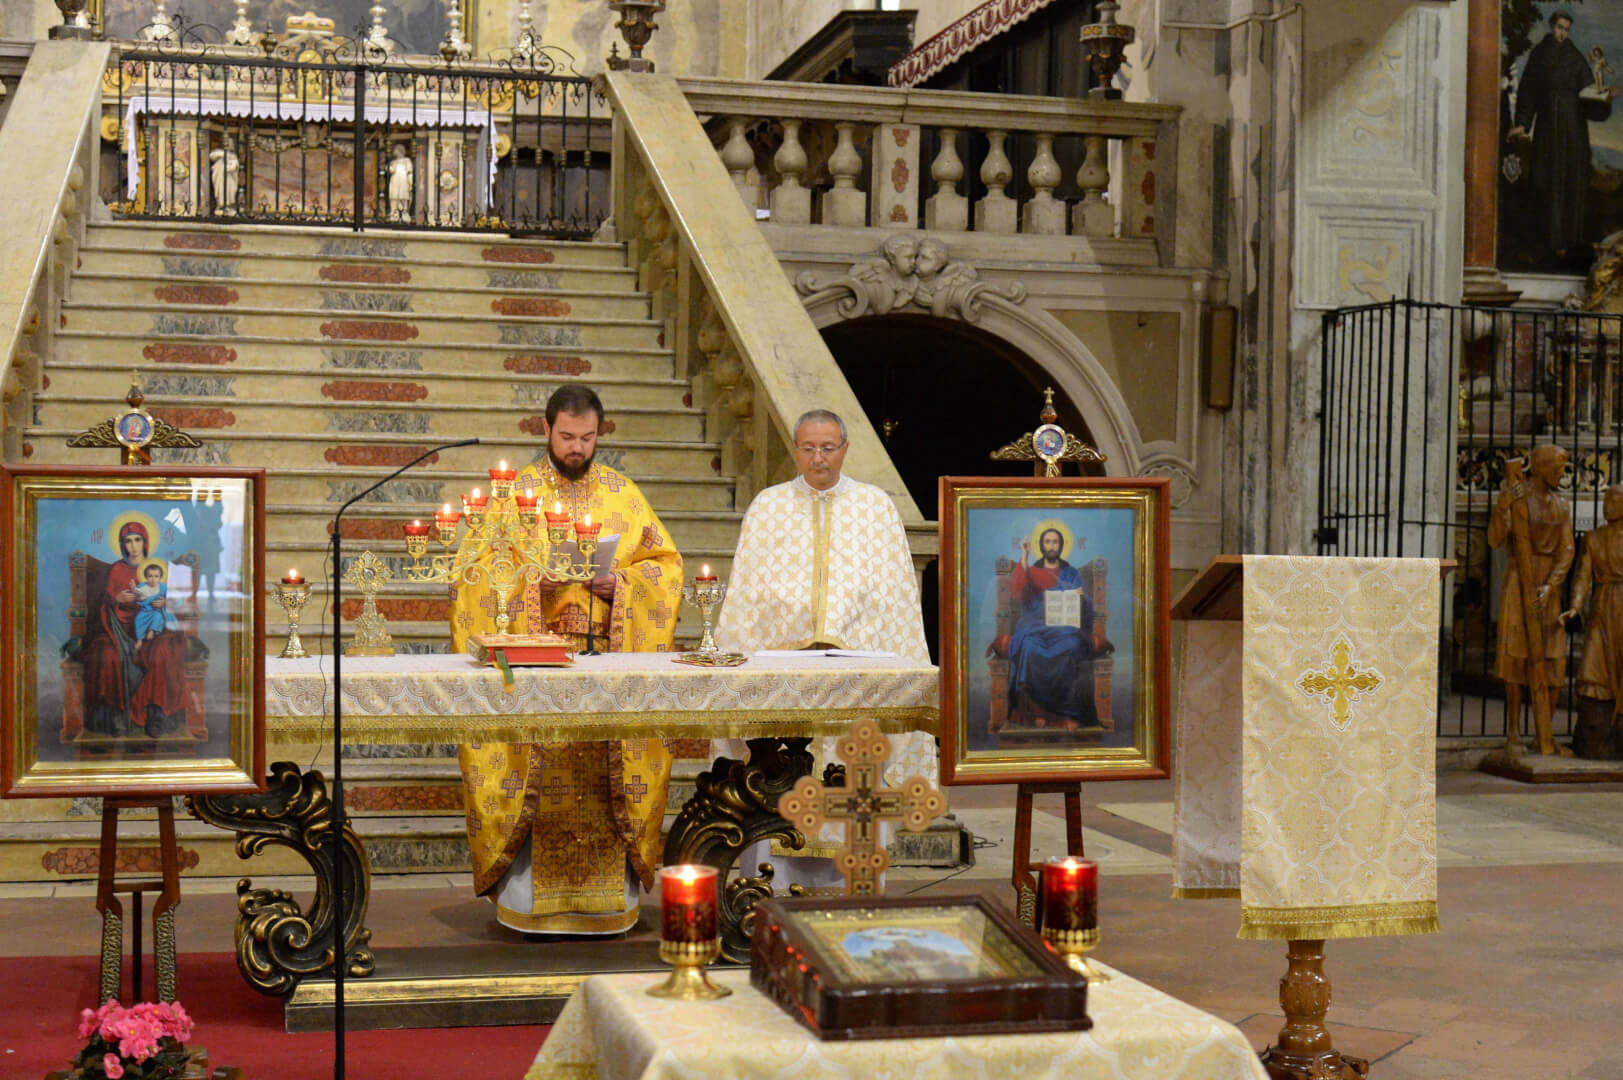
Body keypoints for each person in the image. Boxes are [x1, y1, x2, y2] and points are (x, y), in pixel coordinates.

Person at [448, 385, 682, 934]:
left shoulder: (623, 494)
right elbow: (470, 575)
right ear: (546, 429)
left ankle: (608, 903)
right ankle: (530, 904)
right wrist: (530, 581)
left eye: (588, 438)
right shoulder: (514, 496)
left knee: (603, 785)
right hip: (535, 664)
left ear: (601, 433)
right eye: (567, 436)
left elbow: (666, 566)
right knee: (538, 780)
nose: (577, 448)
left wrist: (622, 585)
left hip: (606, 662)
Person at [716, 408, 933, 887]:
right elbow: (747, 596)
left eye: (828, 448)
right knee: (778, 781)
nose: (819, 458)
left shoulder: (875, 507)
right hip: (785, 677)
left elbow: (896, 596)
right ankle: (769, 893)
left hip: (856, 677)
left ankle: (850, 895)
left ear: (845, 450)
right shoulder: (769, 507)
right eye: (809, 448)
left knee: (852, 777)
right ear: (796, 450)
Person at [1507, 10, 1619, 262]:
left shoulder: (1575, 58)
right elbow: (1528, 92)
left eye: (1566, 29)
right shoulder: (1539, 55)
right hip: (1547, 131)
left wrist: (1605, 99)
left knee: (1571, 185)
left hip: (1573, 132)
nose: (1562, 33)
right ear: (1551, 26)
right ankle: (1544, 243)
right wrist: (1522, 124)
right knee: (1544, 182)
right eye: (1559, 28)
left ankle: (1568, 243)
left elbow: (1590, 97)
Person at [1488, 444, 1574, 758]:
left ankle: (1544, 734)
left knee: (1554, 658)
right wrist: (1503, 508)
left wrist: (1551, 586)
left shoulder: (1561, 506)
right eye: (1558, 467)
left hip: (1548, 584)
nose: (1562, 474)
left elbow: (1567, 549)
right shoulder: (1516, 497)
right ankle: (1513, 732)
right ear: (1540, 467)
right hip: (1519, 582)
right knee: (1516, 657)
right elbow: (1495, 539)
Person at [82, 521, 190, 738]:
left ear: (145, 541)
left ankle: (156, 716)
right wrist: (117, 600)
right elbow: (104, 604)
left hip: (154, 628)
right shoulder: (117, 569)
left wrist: (165, 603)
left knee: (162, 652)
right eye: (128, 541)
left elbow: (179, 600)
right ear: (122, 544)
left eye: (137, 539)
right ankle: (116, 716)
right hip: (119, 628)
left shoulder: (157, 568)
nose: (133, 545)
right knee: (107, 652)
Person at [1004, 526, 1112, 730]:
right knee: (1028, 647)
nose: (1051, 546)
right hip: (1035, 625)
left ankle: (1067, 713)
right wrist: (1025, 556)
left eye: (1055, 542)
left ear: (1061, 546)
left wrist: (1081, 597)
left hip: (1064, 626)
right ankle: (1038, 712)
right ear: (1041, 545)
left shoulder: (1071, 573)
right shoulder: (1032, 570)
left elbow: (1087, 605)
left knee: (1073, 645)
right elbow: (1018, 591)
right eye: (1048, 542)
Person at [1561, 485, 1623, 759]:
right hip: (1603, 606)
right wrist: (1575, 606)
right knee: (1594, 662)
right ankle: (1597, 731)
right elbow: (1583, 576)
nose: (1606, 505)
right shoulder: (1593, 538)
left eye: (1613, 500)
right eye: (1605, 500)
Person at [133, 560, 179, 642]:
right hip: (145, 611)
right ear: (146, 577)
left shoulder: (163, 587)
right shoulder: (142, 586)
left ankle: (152, 631)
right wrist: (134, 590)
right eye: (150, 576)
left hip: (158, 611)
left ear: (160, 577)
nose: (153, 579)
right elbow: (138, 597)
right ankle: (139, 639)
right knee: (138, 620)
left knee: (158, 616)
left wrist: (165, 602)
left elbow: (173, 599)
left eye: (156, 576)